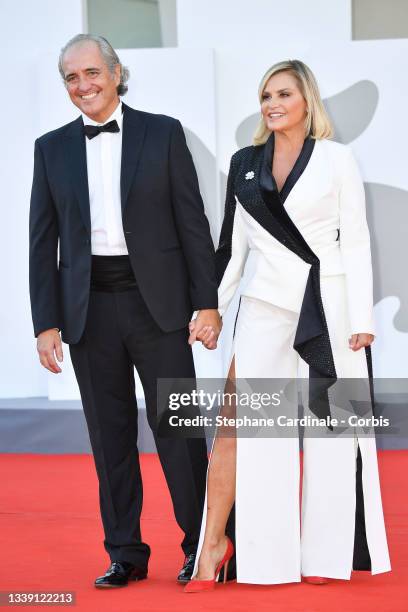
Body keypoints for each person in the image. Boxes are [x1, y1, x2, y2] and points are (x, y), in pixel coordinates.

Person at [185, 59, 391, 592]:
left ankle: (325, 557)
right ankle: (265, 561)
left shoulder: (338, 159)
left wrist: (364, 319)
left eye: (283, 94)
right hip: (264, 309)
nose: (272, 104)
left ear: (307, 101)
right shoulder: (244, 163)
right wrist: (210, 310)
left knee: (334, 432)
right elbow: (232, 248)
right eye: (265, 95)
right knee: (258, 433)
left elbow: (359, 239)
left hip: (333, 309)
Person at [29, 33, 221, 589]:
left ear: (115, 72)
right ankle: (126, 553)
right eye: (71, 77)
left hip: (159, 306)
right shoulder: (50, 148)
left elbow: (193, 224)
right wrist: (46, 322)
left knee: (179, 433)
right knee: (109, 439)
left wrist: (205, 302)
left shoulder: (162, 133)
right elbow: (42, 242)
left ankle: (201, 545)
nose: (83, 85)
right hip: (89, 311)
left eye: (91, 72)